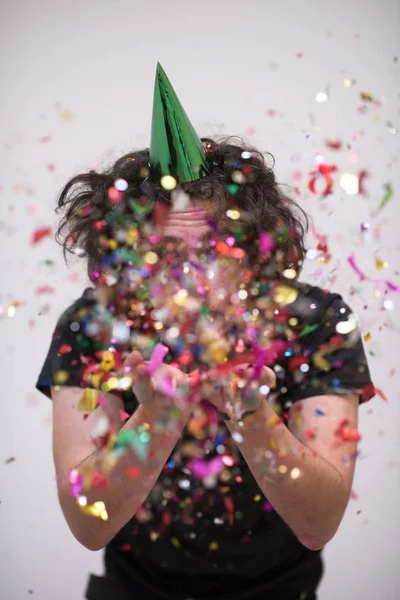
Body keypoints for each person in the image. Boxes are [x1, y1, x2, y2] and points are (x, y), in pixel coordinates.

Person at [36, 64, 375, 600]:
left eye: (213, 251)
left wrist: (254, 416)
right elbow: (88, 524)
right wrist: (158, 416)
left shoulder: (316, 322)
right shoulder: (92, 327)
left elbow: (318, 525)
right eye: (165, 255)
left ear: (253, 254)